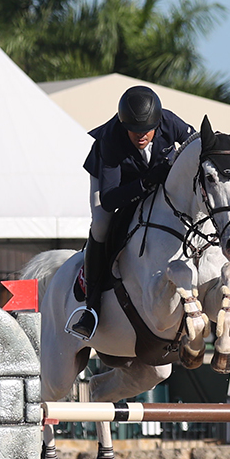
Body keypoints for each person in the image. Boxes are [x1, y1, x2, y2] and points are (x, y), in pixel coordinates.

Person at [69, 84, 195, 339]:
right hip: (115, 186)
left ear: (157, 124)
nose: (140, 136)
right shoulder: (111, 140)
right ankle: (90, 306)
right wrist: (146, 183)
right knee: (101, 225)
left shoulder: (169, 122)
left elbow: (198, 144)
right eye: (133, 130)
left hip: (153, 181)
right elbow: (109, 198)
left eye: (146, 130)